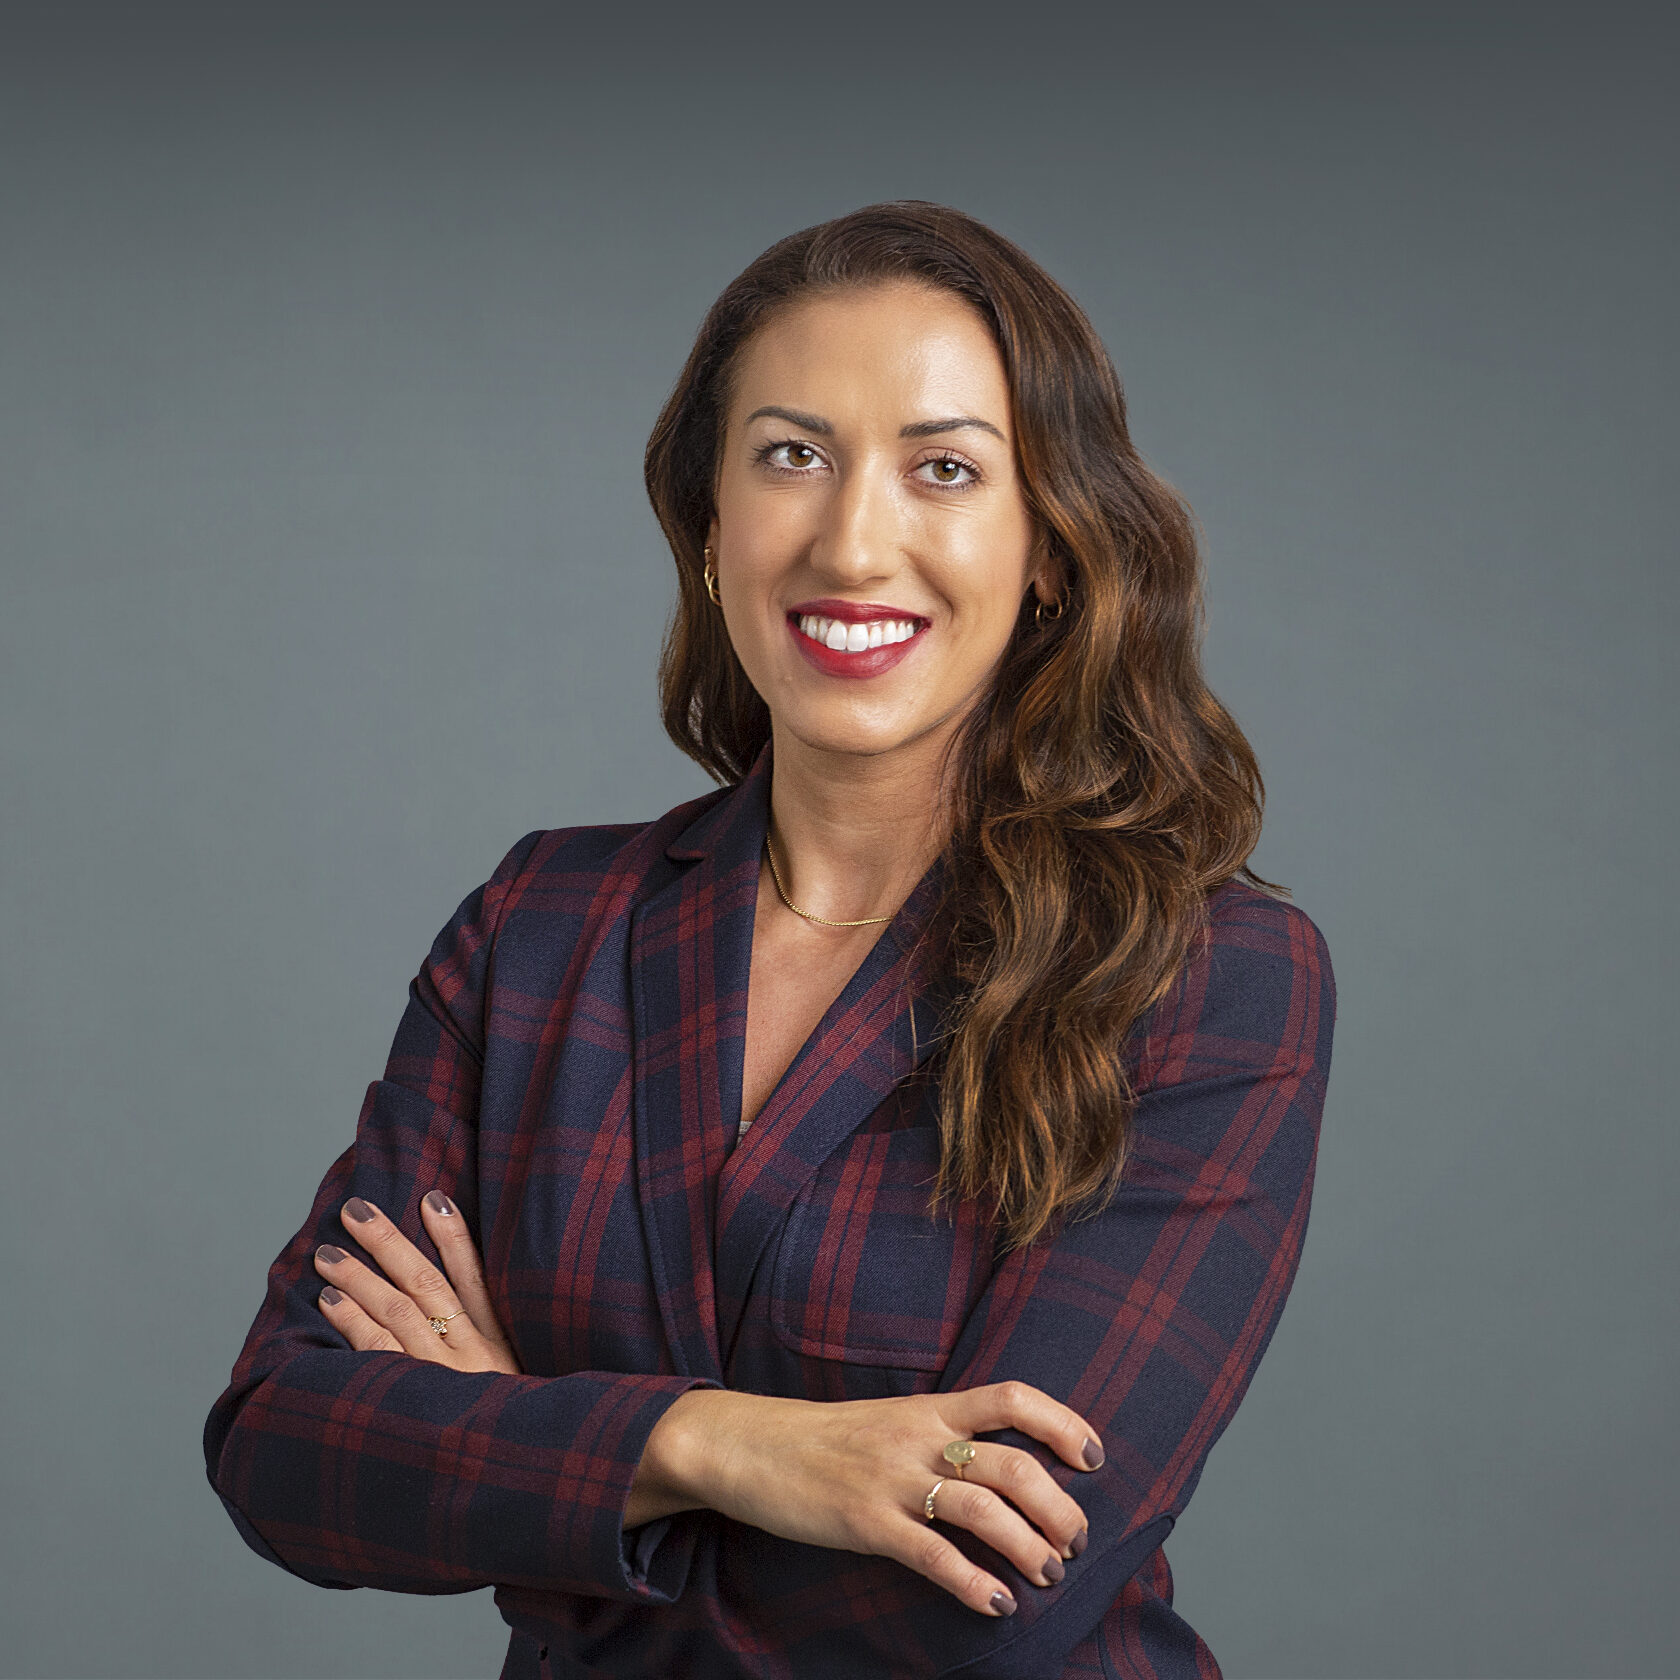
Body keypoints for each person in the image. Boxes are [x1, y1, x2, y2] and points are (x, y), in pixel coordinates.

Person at [204, 200, 1337, 1680]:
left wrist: (531, 1465)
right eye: (792, 456)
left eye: (944, 470)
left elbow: (990, 1603)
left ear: (1051, 546)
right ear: (712, 522)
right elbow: (286, 1446)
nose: (853, 539)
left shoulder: (1203, 975)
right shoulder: (539, 928)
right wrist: (728, 1446)